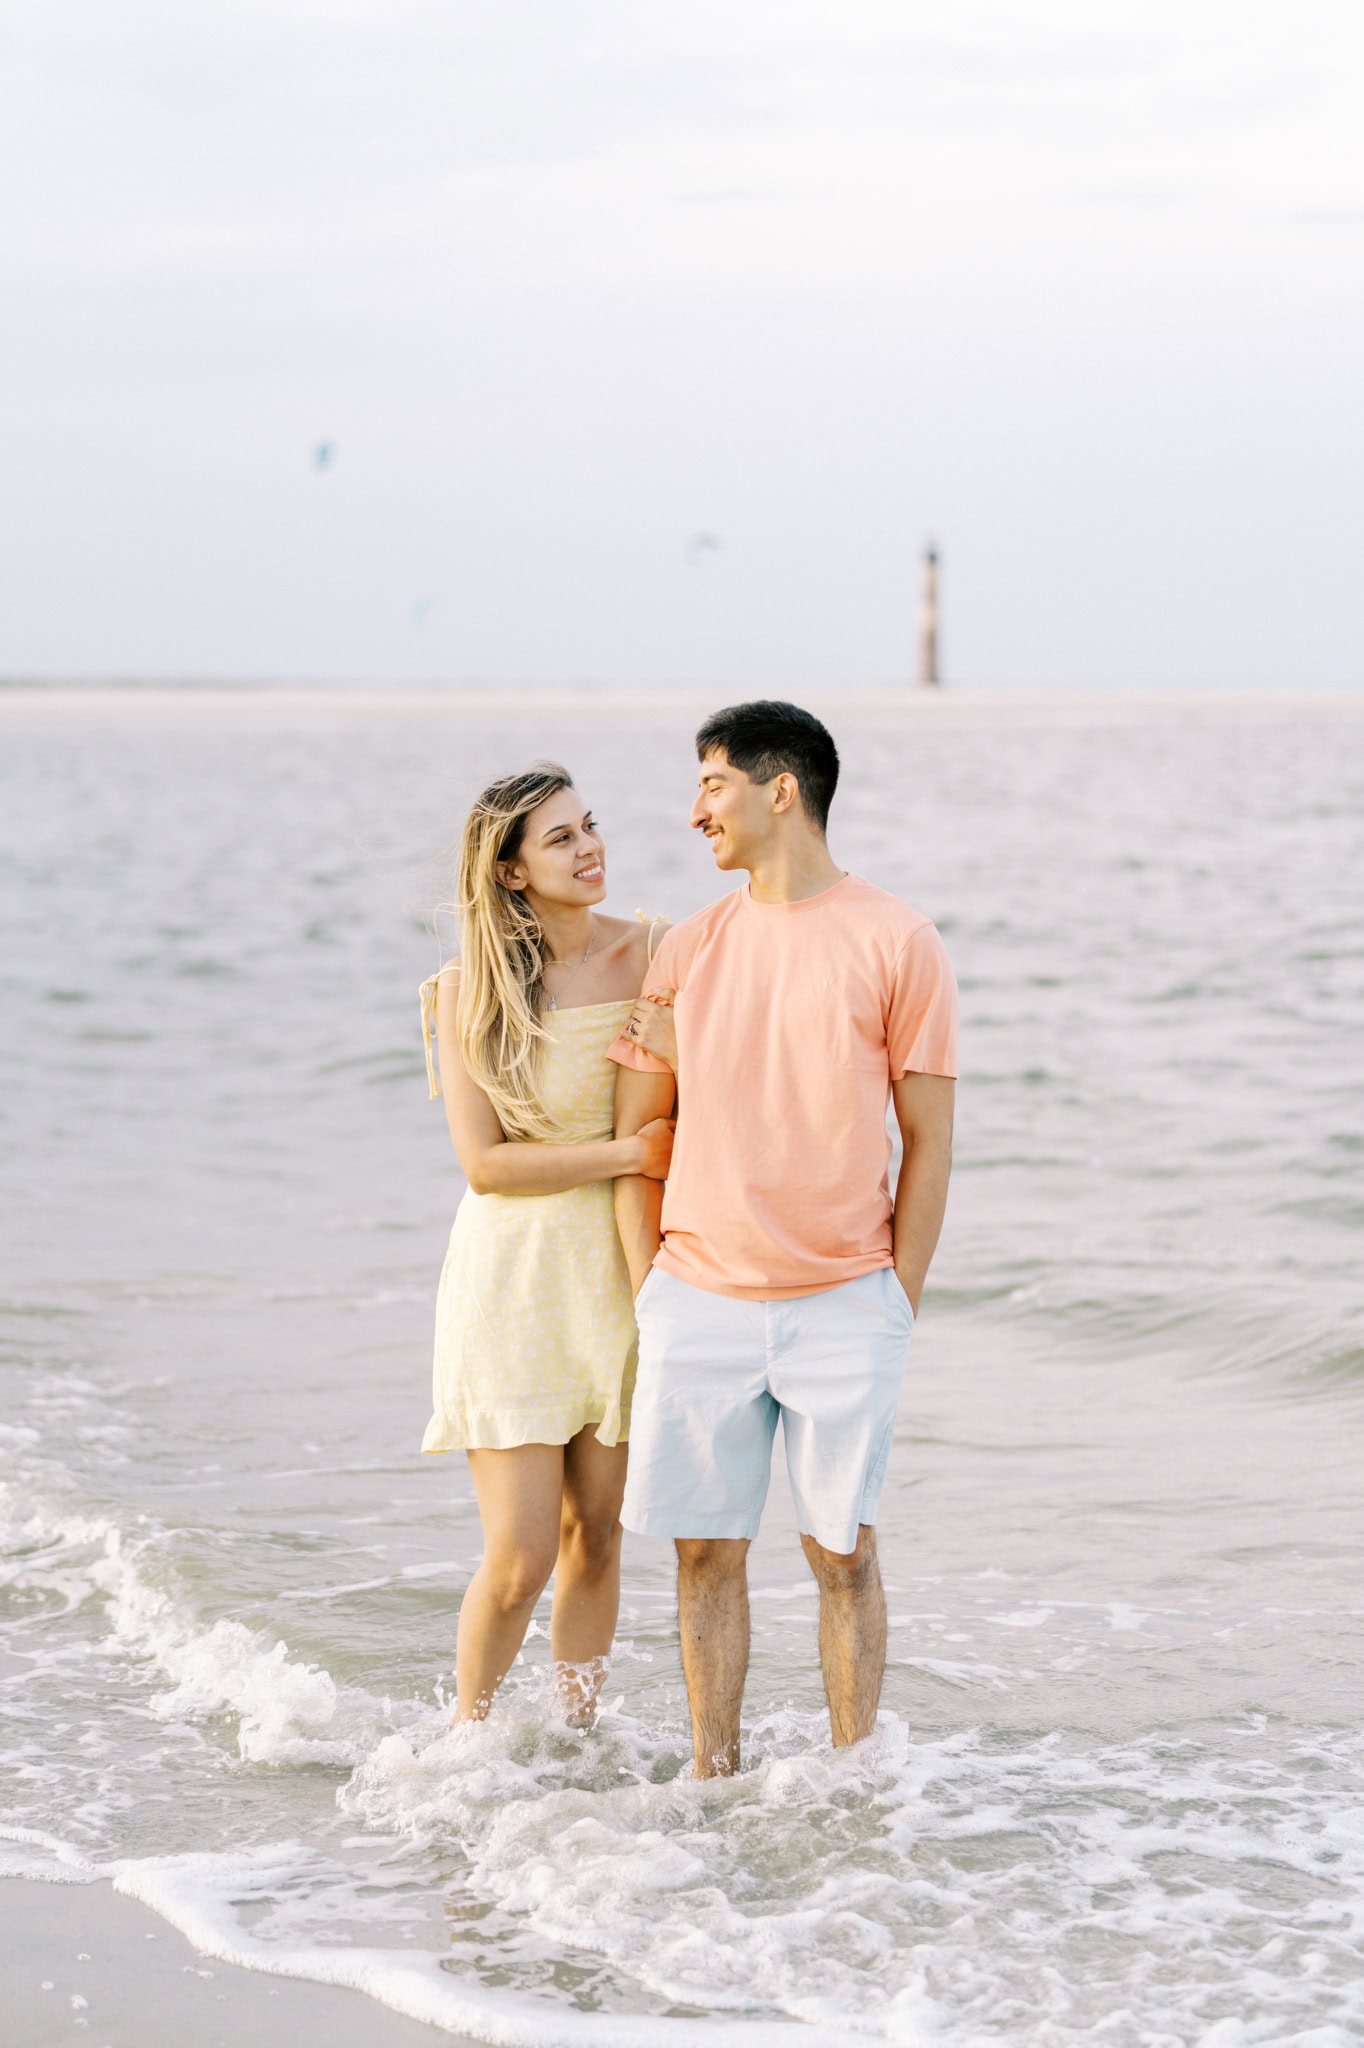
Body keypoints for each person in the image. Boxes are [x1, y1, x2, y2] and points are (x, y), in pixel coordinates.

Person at [608, 701, 957, 1777]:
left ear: (780, 789)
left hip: (845, 1301)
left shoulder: (896, 939)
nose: (693, 809)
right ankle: (713, 1777)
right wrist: (647, 1290)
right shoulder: (687, 945)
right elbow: (636, 1136)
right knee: (702, 1551)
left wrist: (894, 1294)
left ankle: (853, 1784)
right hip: (696, 1295)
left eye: (711, 782)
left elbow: (928, 1139)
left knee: (839, 1552)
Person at [419, 765, 675, 1726]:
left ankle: (576, 1734)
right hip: (513, 1282)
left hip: (619, 1270)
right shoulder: (467, 991)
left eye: (590, 826)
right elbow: (484, 1165)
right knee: (521, 1556)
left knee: (597, 1534)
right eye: (560, 838)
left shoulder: (657, 949)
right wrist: (624, 1151)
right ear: (513, 871)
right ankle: (466, 1740)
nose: (590, 847)